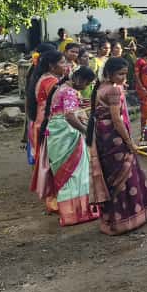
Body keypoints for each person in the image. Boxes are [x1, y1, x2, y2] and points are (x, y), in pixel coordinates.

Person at [86, 57, 147, 235]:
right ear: (109, 73)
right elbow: (117, 119)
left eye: (125, 74)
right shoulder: (113, 90)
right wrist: (129, 142)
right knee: (125, 173)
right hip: (114, 135)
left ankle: (114, 218)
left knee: (112, 174)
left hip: (102, 135)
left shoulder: (101, 87)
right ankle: (127, 217)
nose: (123, 78)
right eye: (120, 74)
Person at [37, 67, 100, 226]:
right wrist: (86, 131)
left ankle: (69, 212)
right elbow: (70, 116)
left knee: (63, 174)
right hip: (67, 134)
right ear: (80, 79)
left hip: (56, 133)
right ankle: (77, 213)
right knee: (76, 174)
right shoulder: (70, 91)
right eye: (87, 83)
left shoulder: (60, 88)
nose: (86, 87)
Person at [29, 50, 66, 214]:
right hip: (50, 125)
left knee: (48, 162)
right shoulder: (51, 81)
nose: (66, 66)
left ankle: (53, 200)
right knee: (54, 163)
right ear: (52, 65)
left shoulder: (42, 78)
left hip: (41, 122)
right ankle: (56, 201)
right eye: (63, 62)